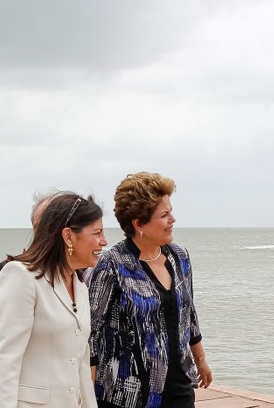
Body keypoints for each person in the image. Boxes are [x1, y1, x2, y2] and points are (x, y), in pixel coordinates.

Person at [87, 172, 212, 408]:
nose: (172, 219)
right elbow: (91, 331)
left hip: (179, 389)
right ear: (138, 224)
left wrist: (201, 359)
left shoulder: (179, 257)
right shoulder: (112, 265)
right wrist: (87, 384)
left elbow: (189, 314)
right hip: (127, 396)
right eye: (164, 215)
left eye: (171, 211)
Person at [0, 193, 107, 408]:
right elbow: (4, 362)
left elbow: (80, 364)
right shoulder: (20, 276)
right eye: (97, 233)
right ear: (69, 236)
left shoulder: (80, 287)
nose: (104, 241)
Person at [0, 188, 59, 278]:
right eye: (40, 227)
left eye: (52, 225)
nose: (47, 233)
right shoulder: (9, 270)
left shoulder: (78, 273)